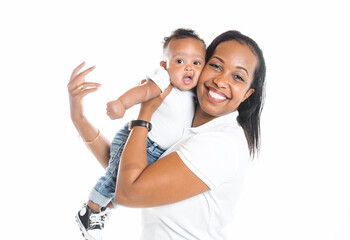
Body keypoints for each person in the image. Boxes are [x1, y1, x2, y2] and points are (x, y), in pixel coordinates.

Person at [67, 30, 266, 240]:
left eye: (237, 77)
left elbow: (128, 192)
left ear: (247, 94)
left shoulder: (222, 143)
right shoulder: (185, 122)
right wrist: (78, 117)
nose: (221, 81)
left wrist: (145, 113)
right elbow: (122, 168)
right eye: (216, 66)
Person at [73, 28, 206, 240]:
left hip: (158, 153)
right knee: (114, 178)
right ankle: (89, 212)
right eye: (180, 61)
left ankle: (102, 209)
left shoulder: (195, 93)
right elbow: (144, 91)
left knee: (128, 190)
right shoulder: (164, 80)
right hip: (140, 142)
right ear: (165, 65)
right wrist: (122, 104)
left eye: (197, 63)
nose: (189, 68)